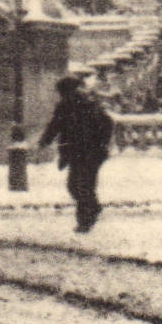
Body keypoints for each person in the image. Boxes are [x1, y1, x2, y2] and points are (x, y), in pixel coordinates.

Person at [37, 75, 115, 232]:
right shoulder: (80, 104)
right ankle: (91, 209)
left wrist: (45, 141)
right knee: (79, 186)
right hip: (83, 152)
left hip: (87, 152)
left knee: (80, 186)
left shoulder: (81, 104)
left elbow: (55, 125)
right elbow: (56, 125)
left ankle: (85, 220)